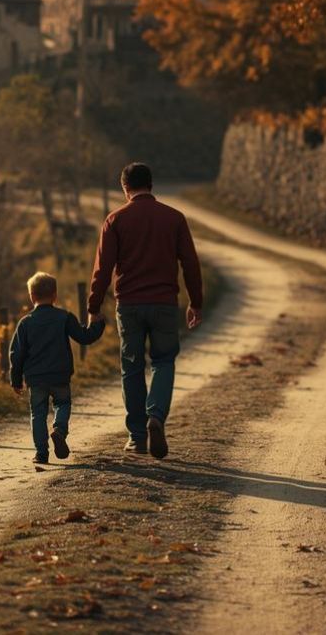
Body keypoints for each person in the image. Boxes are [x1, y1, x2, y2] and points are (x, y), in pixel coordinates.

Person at [88, 162, 203, 459]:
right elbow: (190, 263)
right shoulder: (175, 218)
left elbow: (103, 268)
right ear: (151, 185)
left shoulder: (115, 220)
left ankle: (137, 437)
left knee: (132, 367)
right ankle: (156, 416)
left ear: (125, 188)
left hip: (129, 305)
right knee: (164, 362)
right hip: (165, 303)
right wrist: (196, 302)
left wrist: (93, 306)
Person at [8, 271, 105, 464]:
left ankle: (41, 454)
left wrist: (16, 380)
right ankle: (59, 430)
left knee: (38, 413)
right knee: (62, 404)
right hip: (59, 375)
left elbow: (16, 354)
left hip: (36, 378)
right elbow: (84, 337)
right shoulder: (64, 317)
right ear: (55, 295)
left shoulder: (25, 323)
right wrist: (98, 323)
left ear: (31, 296)